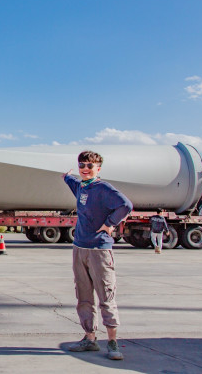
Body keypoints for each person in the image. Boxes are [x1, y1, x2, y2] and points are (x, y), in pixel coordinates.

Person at [63, 150, 133, 361]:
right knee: (83, 297)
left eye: (89, 166)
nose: (85, 169)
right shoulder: (81, 186)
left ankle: (112, 342)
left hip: (99, 250)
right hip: (79, 248)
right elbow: (71, 180)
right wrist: (67, 176)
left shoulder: (104, 188)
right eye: (82, 165)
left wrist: (109, 224)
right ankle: (90, 338)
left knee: (106, 296)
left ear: (98, 169)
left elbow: (126, 205)